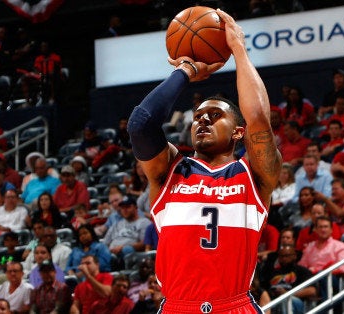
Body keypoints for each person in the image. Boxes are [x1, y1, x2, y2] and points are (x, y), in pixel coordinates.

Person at [126, 9, 282, 312]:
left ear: (238, 132)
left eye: (214, 115)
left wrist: (238, 49)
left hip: (233, 305)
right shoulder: (170, 169)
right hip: (177, 306)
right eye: (198, 117)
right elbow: (140, 124)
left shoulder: (253, 174)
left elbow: (259, 119)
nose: (203, 121)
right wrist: (184, 70)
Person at [259, 245, 316, 314]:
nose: (284, 258)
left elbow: (312, 290)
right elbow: (263, 288)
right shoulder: (271, 272)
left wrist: (287, 293)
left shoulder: (302, 271)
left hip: (294, 301)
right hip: (274, 300)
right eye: (281, 256)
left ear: (295, 256)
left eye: (287, 256)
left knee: (284, 299)